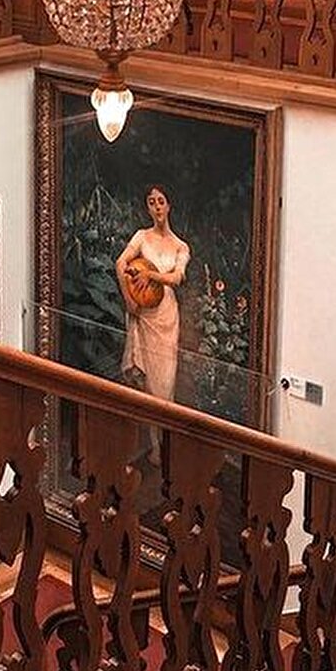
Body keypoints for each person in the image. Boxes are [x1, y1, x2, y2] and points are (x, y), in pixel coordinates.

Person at [116, 184, 190, 463]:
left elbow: (176, 278)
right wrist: (129, 299)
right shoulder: (141, 237)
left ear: (169, 205)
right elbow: (121, 263)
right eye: (151, 202)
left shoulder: (180, 246)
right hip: (143, 313)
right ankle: (154, 445)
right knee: (146, 382)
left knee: (164, 382)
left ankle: (167, 443)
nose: (157, 207)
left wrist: (152, 276)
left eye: (161, 201)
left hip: (166, 316)